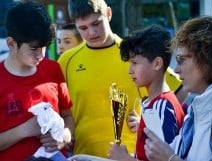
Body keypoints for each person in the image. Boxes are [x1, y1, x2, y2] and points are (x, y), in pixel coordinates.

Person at [58, 0, 184, 157]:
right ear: (74, 25)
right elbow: (61, 110)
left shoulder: (135, 52)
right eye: (83, 28)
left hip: (130, 155)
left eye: (96, 23)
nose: (91, 32)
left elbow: (180, 90)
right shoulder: (66, 61)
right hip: (84, 154)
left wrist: (146, 122)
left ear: (109, 14)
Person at [0, 1, 74, 161]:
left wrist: (64, 137)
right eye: (33, 48)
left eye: (45, 47)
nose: (41, 55)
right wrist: (25, 130)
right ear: (12, 43)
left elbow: (67, 116)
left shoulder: (53, 69)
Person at [107, 25, 185, 161]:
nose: (130, 71)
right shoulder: (159, 102)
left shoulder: (161, 106)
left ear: (157, 64)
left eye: (135, 63)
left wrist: (124, 158)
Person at [143, 16, 212, 161]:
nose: (176, 70)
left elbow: (170, 156)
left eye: (181, 61)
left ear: (207, 59)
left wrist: (170, 158)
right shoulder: (195, 112)